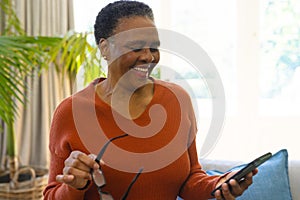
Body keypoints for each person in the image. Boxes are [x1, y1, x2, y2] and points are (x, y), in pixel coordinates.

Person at [43, 1, 257, 199]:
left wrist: (219, 184)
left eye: (154, 47)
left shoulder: (177, 100)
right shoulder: (70, 112)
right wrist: (74, 186)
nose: (148, 57)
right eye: (135, 47)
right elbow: (51, 194)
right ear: (105, 48)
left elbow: (190, 179)